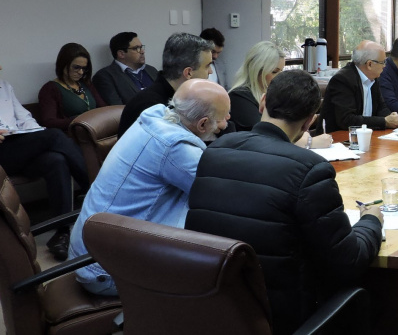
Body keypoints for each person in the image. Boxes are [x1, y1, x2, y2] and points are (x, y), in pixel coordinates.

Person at [186, 70, 383, 335]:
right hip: (281, 316)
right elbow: (349, 261)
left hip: (215, 303)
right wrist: (371, 220)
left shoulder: (214, 151)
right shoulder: (310, 169)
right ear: (309, 122)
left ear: (262, 102)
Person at [67, 79, 231, 295]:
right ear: (202, 124)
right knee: (220, 272)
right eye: (223, 118)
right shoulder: (176, 148)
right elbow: (219, 199)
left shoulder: (154, 117)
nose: (227, 121)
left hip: (89, 252)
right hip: (105, 270)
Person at [0, 64, 90, 261]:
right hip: (2, 152)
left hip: (19, 145)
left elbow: (24, 117)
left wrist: (34, 133)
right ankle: (97, 191)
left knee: (56, 160)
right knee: (54, 136)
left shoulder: (4, 86)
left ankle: (61, 233)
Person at [229, 41, 331, 148]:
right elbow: (268, 139)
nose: (279, 76)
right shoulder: (239, 98)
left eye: (281, 71)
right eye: (274, 71)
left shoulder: (273, 94)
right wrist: (310, 142)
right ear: (256, 70)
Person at [118, 32, 214, 137]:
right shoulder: (150, 107)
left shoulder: (184, 98)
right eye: (207, 66)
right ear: (188, 73)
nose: (210, 71)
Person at [321, 41, 398, 132]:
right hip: (337, 137)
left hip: (364, 134)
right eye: (383, 62)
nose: (384, 66)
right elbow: (346, 120)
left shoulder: (373, 77)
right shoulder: (343, 80)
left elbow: (381, 107)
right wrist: (384, 121)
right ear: (369, 64)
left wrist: (391, 117)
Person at [37, 42, 107, 131]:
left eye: (84, 68)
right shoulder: (50, 89)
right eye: (76, 67)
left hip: (96, 130)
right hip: (73, 133)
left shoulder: (86, 84)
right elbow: (49, 122)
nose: (81, 72)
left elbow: (103, 108)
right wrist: (79, 120)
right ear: (63, 64)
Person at [92, 31, 159, 105]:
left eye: (141, 47)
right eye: (136, 48)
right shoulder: (105, 76)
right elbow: (116, 107)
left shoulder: (151, 70)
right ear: (121, 54)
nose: (142, 51)